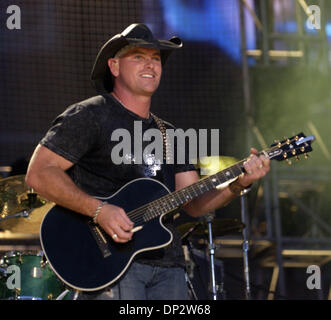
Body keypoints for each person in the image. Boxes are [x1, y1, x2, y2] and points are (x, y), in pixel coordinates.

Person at [25, 23, 270, 300]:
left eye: (155, 59)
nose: (150, 65)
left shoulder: (171, 134)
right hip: (111, 266)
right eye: (139, 57)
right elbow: (39, 174)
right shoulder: (90, 115)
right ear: (114, 67)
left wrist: (239, 183)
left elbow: (195, 203)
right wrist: (99, 210)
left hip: (170, 267)